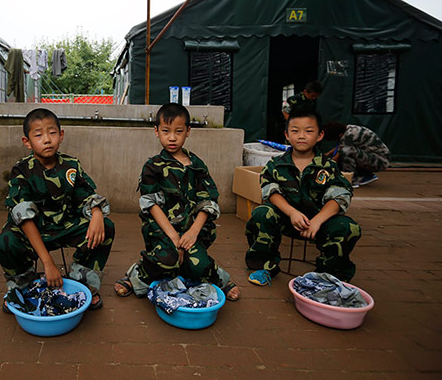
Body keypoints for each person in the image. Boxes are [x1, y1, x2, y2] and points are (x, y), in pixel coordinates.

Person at [114, 103, 240, 301]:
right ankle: (136, 274)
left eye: (178, 131)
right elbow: (151, 204)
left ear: (188, 132)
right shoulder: (152, 166)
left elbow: (207, 202)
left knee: (198, 267)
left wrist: (192, 232)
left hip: (192, 231)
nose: (172, 137)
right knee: (167, 262)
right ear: (156, 131)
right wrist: (173, 236)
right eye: (166, 131)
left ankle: (220, 277)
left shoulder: (197, 165)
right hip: (163, 231)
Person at [0, 108, 114, 309]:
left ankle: (82, 282)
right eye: (38, 135)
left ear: (61, 135)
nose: (47, 140)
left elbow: (86, 196)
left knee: (105, 227)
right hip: (34, 231)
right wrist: (48, 263)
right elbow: (24, 217)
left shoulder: (71, 165)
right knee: (5, 242)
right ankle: (22, 287)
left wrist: (97, 213)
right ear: (27, 142)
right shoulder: (21, 169)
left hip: (64, 226)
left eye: (52, 133)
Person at [245, 110, 361, 286]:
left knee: (348, 227)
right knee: (262, 213)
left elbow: (340, 196)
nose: (301, 136)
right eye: (295, 131)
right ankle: (264, 266)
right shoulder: (276, 165)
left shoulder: (328, 167)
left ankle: (327, 275)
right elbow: (270, 192)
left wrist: (317, 221)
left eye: (308, 131)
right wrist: (292, 213)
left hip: (319, 223)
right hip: (286, 219)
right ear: (287, 135)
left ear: (320, 135)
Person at [323, 121, 390, 187]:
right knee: (346, 151)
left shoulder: (349, 135)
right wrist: (327, 154)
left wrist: (324, 166)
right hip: (373, 157)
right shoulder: (349, 129)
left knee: (346, 152)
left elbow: (337, 156)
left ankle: (351, 179)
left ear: (339, 135)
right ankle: (364, 175)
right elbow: (339, 147)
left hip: (380, 161)